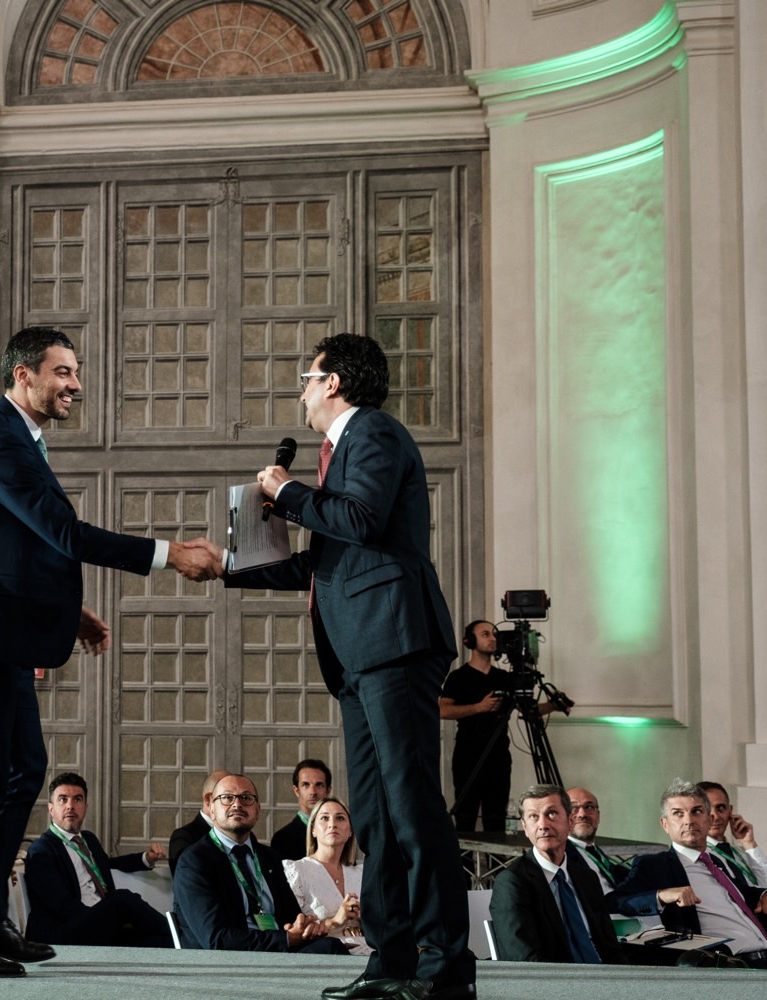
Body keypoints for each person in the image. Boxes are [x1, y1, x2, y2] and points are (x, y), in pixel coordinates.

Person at [0, 326, 220, 977]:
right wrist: (169, 554)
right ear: (23, 375)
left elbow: (19, 545)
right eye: (62, 372)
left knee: (25, 768)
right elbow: (62, 532)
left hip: (6, 631)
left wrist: (69, 612)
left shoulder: (20, 439)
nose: (75, 384)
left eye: (75, 372)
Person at [207, 333, 474, 1000]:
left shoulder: (372, 432)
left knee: (413, 810)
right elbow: (323, 563)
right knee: (377, 819)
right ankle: (392, 960)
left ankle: (445, 968)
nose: (301, 391)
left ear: (332, 383)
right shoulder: (340, 455)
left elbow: (359, 519)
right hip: (359, 654)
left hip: (394, 641)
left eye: (307, 377)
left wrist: (287, 490)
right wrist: (228, 567)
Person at [607, 780, 767, 968]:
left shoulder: (717, 861)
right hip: (728, 965)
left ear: (709, 820)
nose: (688, 821)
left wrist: (764, 894)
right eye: (678, 813)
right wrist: (661, 896)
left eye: (696, 811)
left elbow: (738, 893)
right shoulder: (654, 865)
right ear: (665, 824)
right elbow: (614, 901)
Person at [172, 773, 343, 954]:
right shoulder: (194, 861)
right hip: (227, 960)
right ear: (212, 809)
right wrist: (286, 938)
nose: (237, 804)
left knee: (333, 946)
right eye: (227, 798)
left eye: (246, 798)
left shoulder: (269, 858)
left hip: (278, 954)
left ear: (258, 810)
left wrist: (306, 927)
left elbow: (292, 918)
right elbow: (216, 939)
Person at [22, 772, 171, 948]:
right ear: (51, 808)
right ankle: (180, 936)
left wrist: (146, 858)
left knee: (156, 941)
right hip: (64, 930)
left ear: (85, 807)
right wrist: (103, 916)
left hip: (98, 923)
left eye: (77, 799)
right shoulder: (42, 849)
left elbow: (107, 864)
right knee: (122, 899)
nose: (70, 806)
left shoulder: (88, 839)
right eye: (63, 799)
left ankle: (183, 946)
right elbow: (59, 906)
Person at [489, 784, 624, 964]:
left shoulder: (586, 877)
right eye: (533, 817)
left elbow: (610, 947)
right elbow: (525, 960)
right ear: (525, 827)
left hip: (604, 974)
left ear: (570, 822)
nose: (543, 825)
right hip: (555, 979)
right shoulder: (512, 883)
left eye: (551, 814)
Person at [438, 620, 513, 833]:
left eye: (495, 634)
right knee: (466, 815)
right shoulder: (458, 677)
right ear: (470, 640)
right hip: (468, 755)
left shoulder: (504, 678)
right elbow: (442, 710)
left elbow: (528, 709)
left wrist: (553, 705)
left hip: (499, 755)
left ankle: (497, 856)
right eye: (486, 634)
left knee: (496, 817)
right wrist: (480, 707)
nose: (493, 639)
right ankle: (463, 856)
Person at [283, 797, 370, 954]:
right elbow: (293, 932)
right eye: (324, 818)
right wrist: (335, 921)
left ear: (350, 831)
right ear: (313, 830)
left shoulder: (362, 873)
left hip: (369, 953)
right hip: (327, 956)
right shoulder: (296, 870)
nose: (332, 824)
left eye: (340, 818)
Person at [698, 780, 767, 888]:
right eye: (707, 809)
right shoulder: (697, 856)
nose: (716, 817)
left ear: (730, 811)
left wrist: (749, 844)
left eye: (720, 808)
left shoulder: (741, 853)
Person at [565, 786, 631, 893]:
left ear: (598, 816)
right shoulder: (562, 854)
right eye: (573, 808)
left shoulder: (595, 851)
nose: (582, 814)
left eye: (589, 807)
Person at [168, 769, 230, 873]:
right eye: (228, 797)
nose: (237, 804)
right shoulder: (183, 837)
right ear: (208, 799)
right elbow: (186, 876)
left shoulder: (246, 836)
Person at [271, 759, 332, 861]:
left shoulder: (338, 832)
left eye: (319, 785)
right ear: (296, 791)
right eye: (306, 785)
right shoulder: (282, 838)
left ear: (328, 791)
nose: (312, 792)